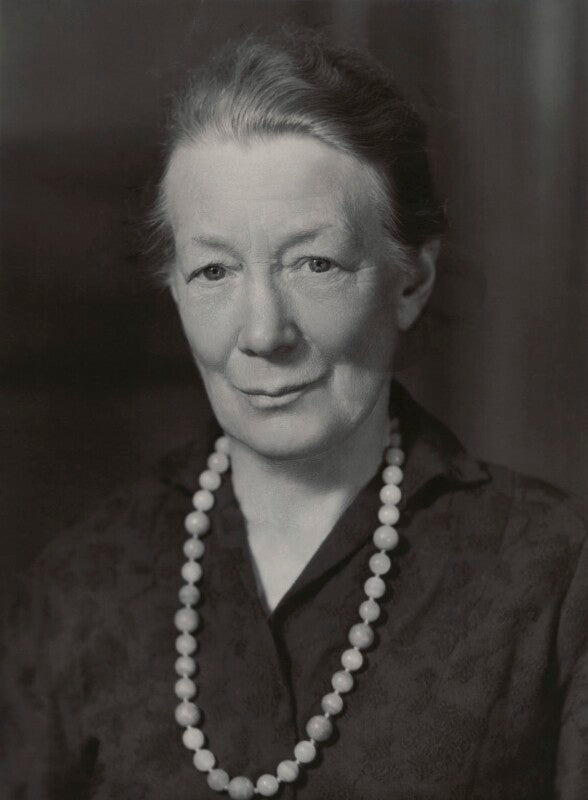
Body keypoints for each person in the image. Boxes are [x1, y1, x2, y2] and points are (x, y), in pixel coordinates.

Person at [1, 30, 587, 800]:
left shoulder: (553, 575)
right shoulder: (83, 585)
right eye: (214, 271)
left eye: (315, 264)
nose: (263, 332)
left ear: (411, 282)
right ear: (174, 288)